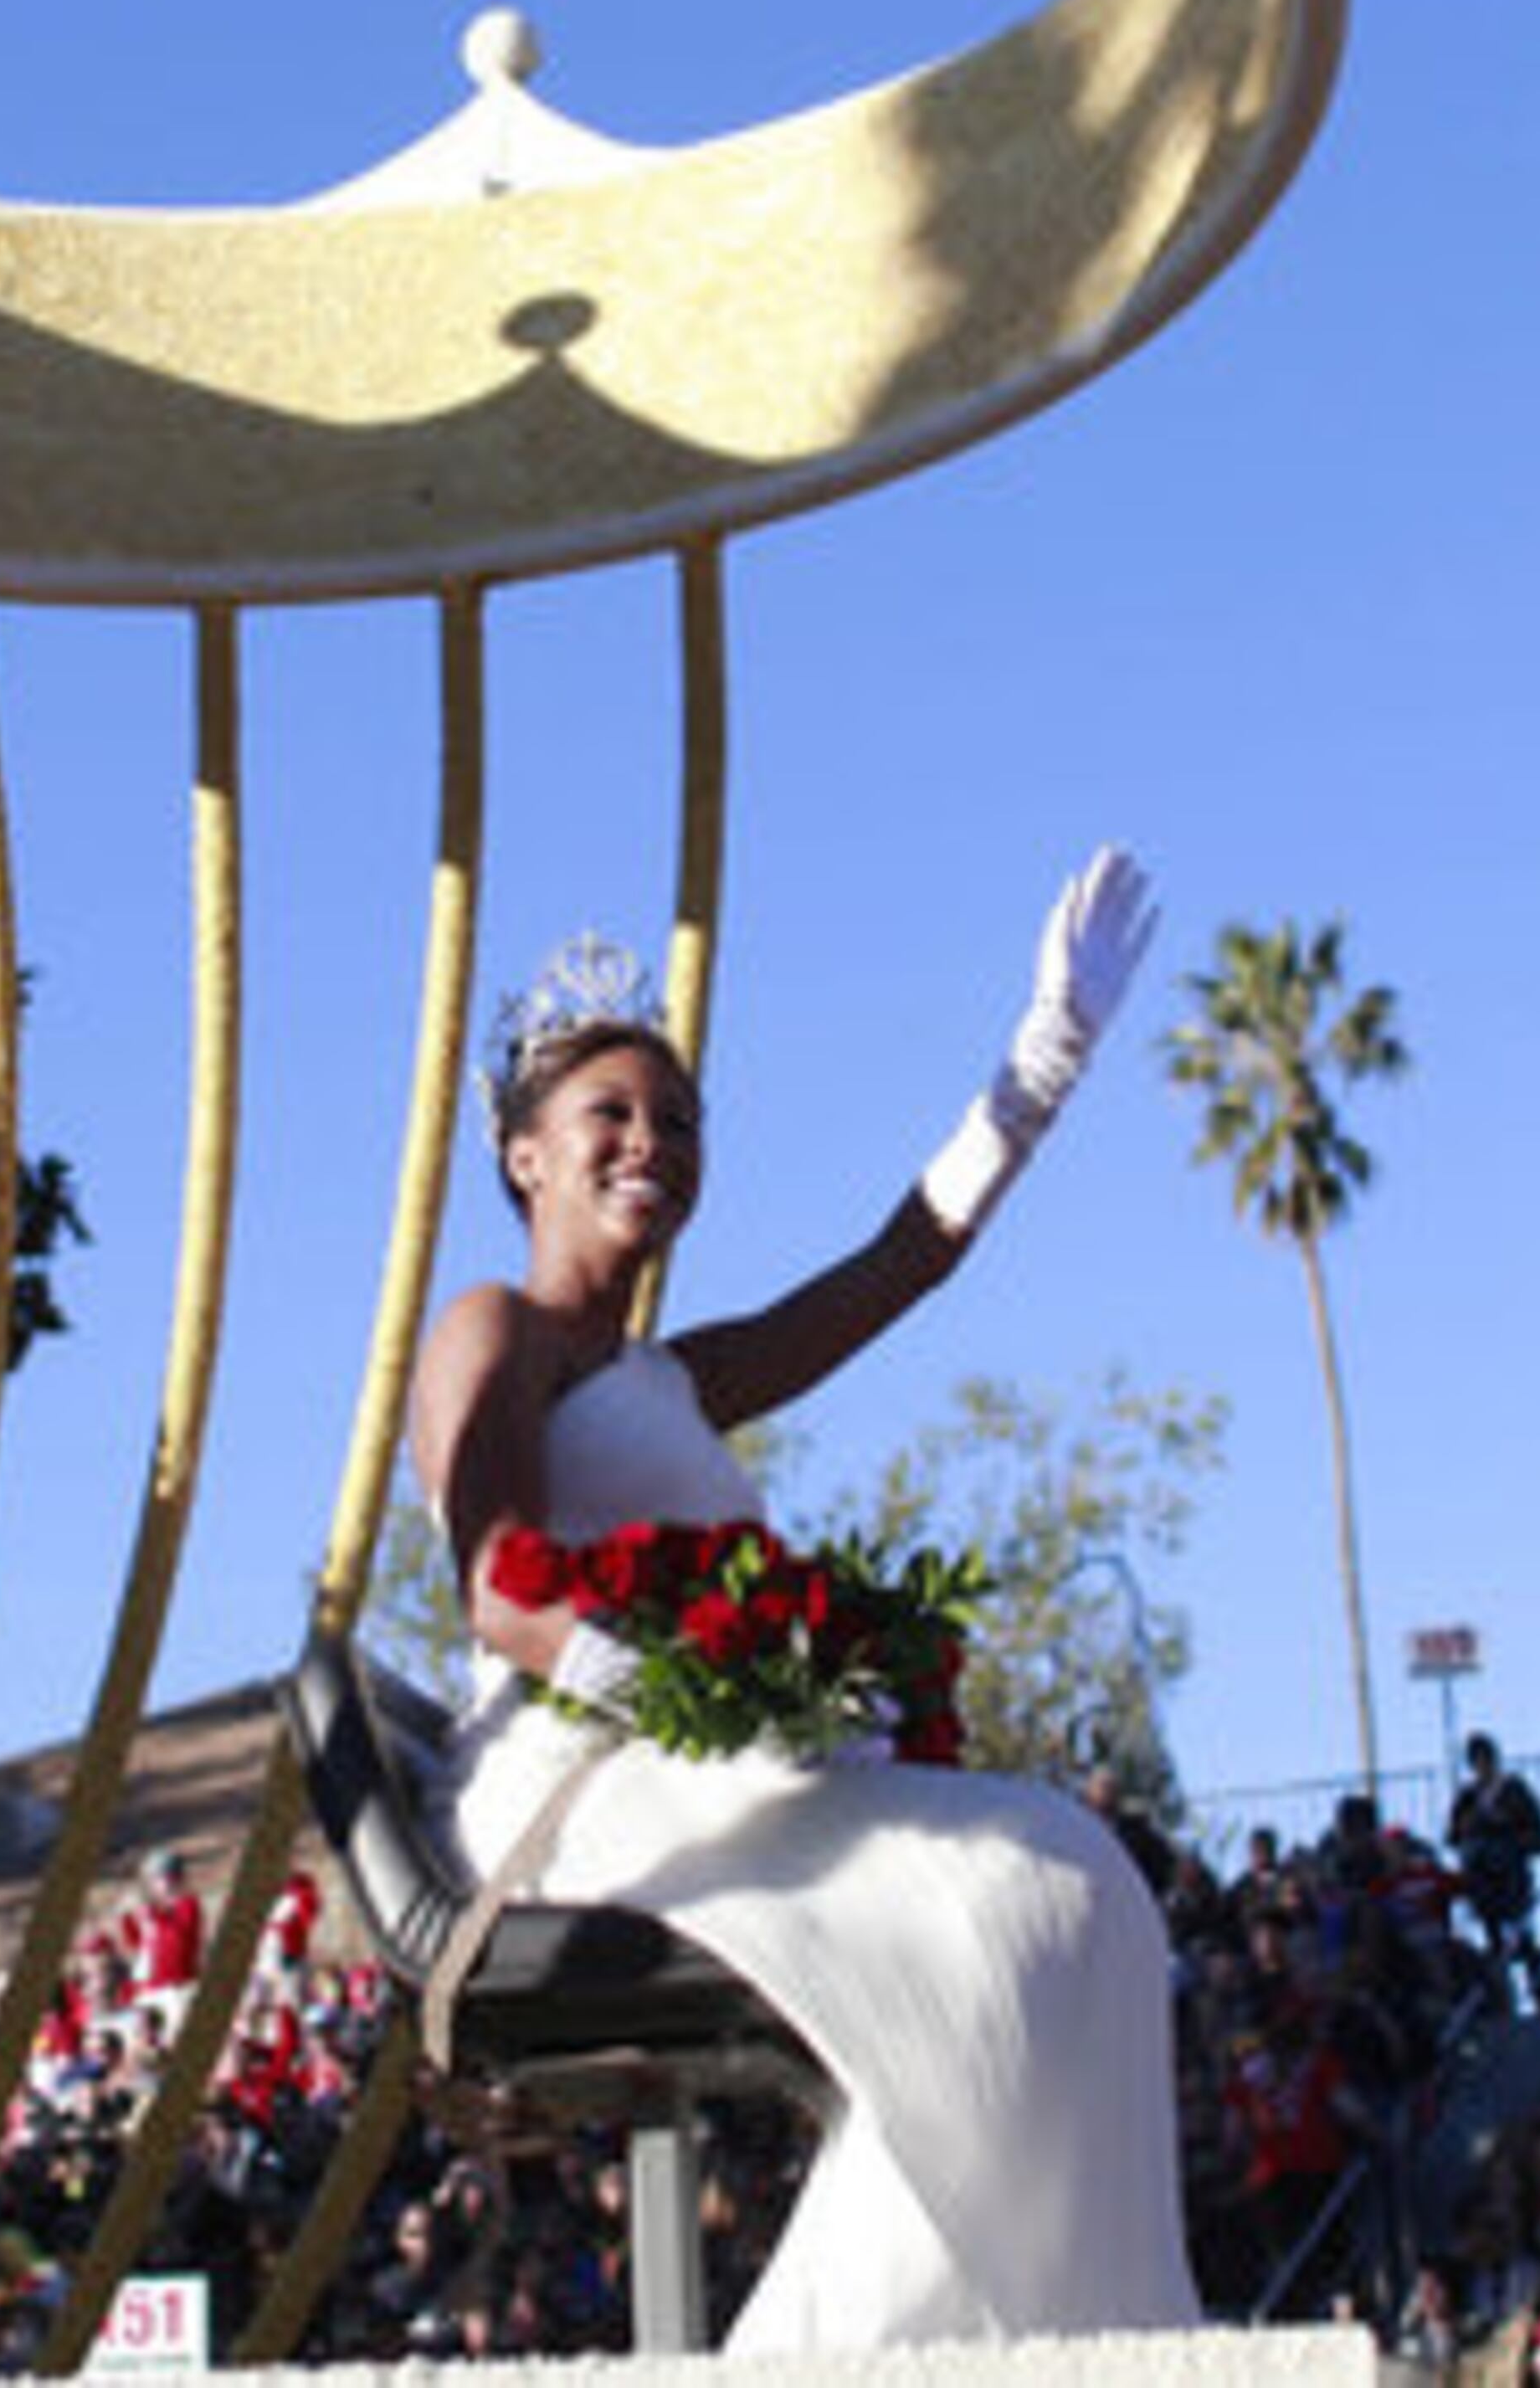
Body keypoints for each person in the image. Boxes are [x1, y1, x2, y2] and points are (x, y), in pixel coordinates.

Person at [413, 851, 1199, 2354]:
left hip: (690, 1761)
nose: (654, 1143)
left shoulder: (678, 1375)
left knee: (1085, 1884)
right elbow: (504, 1587)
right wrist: (724, 1712)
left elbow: (904, 1263)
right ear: (524, 1154)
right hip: (571, 1781)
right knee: (1011, 1894)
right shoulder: (492, 1324)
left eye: (681, 1122)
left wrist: (1042, 1063)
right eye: (614, 1116)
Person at [1451, 1733, 1540, 2012]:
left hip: (1511, 1875)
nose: (1482, 1765)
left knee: (1523, 1937)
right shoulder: (1467, 1797)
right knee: (1494, 1942)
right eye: (1476, 1760)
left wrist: (1507, 1830)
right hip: (1482, 1880)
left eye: (1485, 1758)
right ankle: (1503, 2002)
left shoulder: (1514, 1790)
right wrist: (1471, 1828)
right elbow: (1453, 1835)